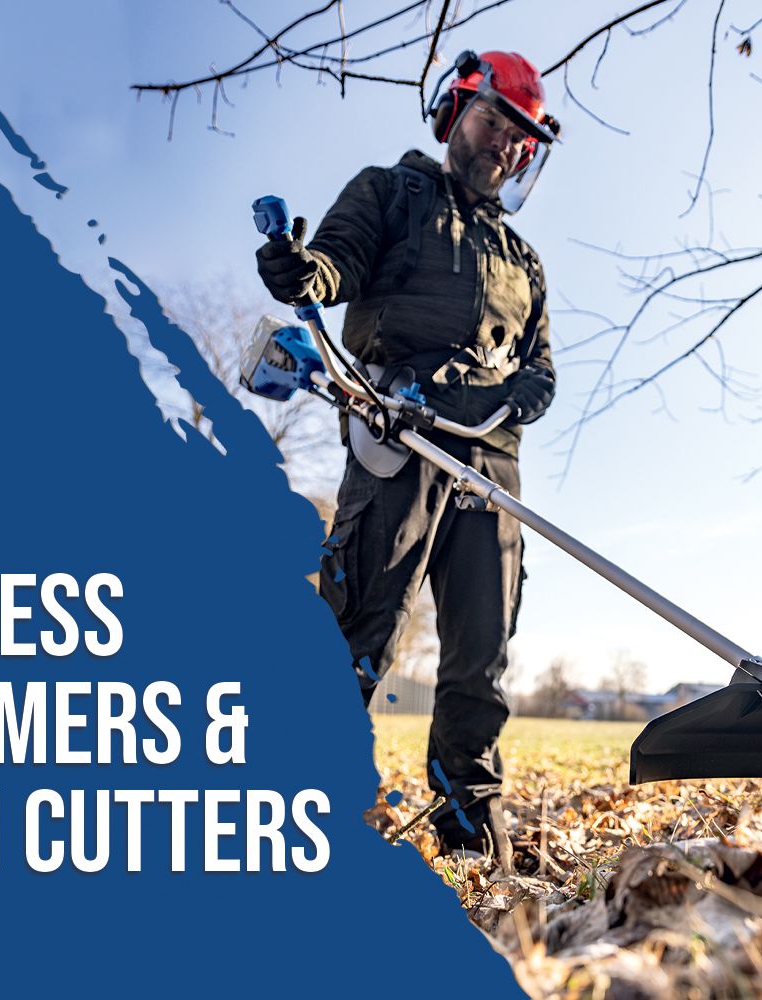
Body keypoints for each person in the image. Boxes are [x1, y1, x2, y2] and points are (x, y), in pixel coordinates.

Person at [255, 51, 559, 865]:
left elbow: (541, 363)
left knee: (480, 653)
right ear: (456, 108)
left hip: (489, 460)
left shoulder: (525, 262)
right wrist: (302, 272)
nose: (504, 143)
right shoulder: (391, 191)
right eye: (494, 119)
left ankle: (469, 817)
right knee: (357, 622)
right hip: (397, 426)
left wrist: (523, 393)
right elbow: (335, 265)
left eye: (520, 136)